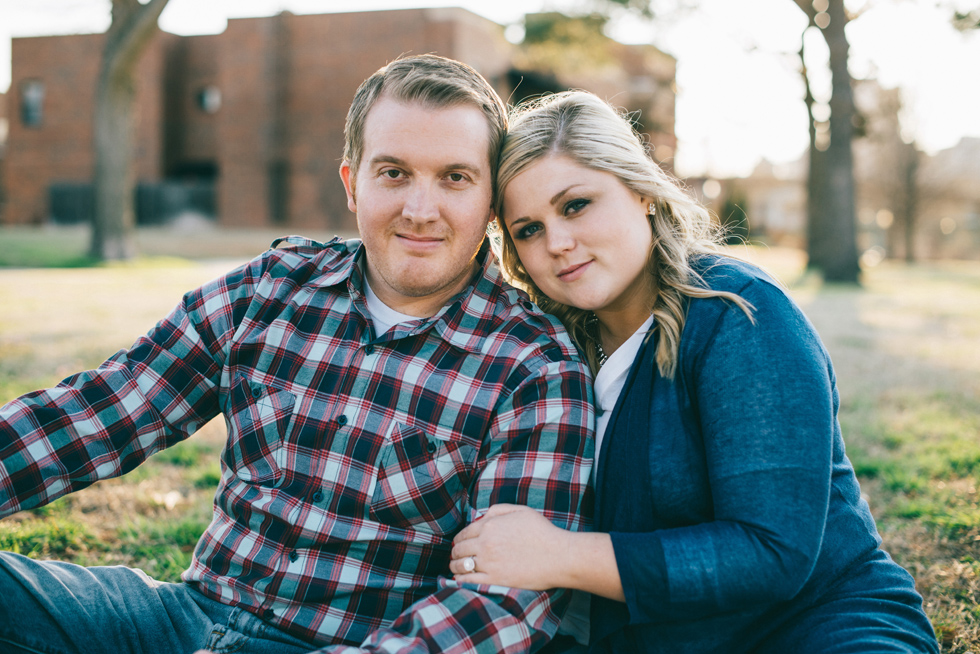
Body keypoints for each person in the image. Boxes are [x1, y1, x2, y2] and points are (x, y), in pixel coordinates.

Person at [0, 56, 595, 654]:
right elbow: (102, 410)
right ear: (352, 184)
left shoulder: (534, 367)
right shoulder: (271, 287)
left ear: (491, 202)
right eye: (393, 173)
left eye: (454, 178)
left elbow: (501, 606)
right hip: (182, 619)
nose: (420, 209)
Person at [449, 90, 939, 654]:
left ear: (641, 192)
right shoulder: (548, 349)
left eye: (577, 205)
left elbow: (772, 551)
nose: (558, 243)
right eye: (528, 229)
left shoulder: (738, 313)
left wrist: (561, 556)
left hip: (813, 626)